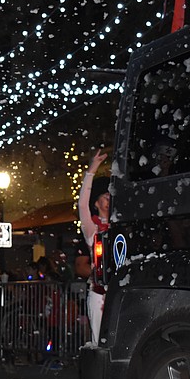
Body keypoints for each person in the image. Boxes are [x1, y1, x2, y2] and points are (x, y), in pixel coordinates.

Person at [77, 148, 110, 346]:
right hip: (99, 292)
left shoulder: (121, 225)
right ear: (96, 203)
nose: (109, 199)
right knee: (99, 342)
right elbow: (82, 204)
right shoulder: (92, 228)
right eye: (105, 196)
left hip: (120, 290)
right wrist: (92, 170)